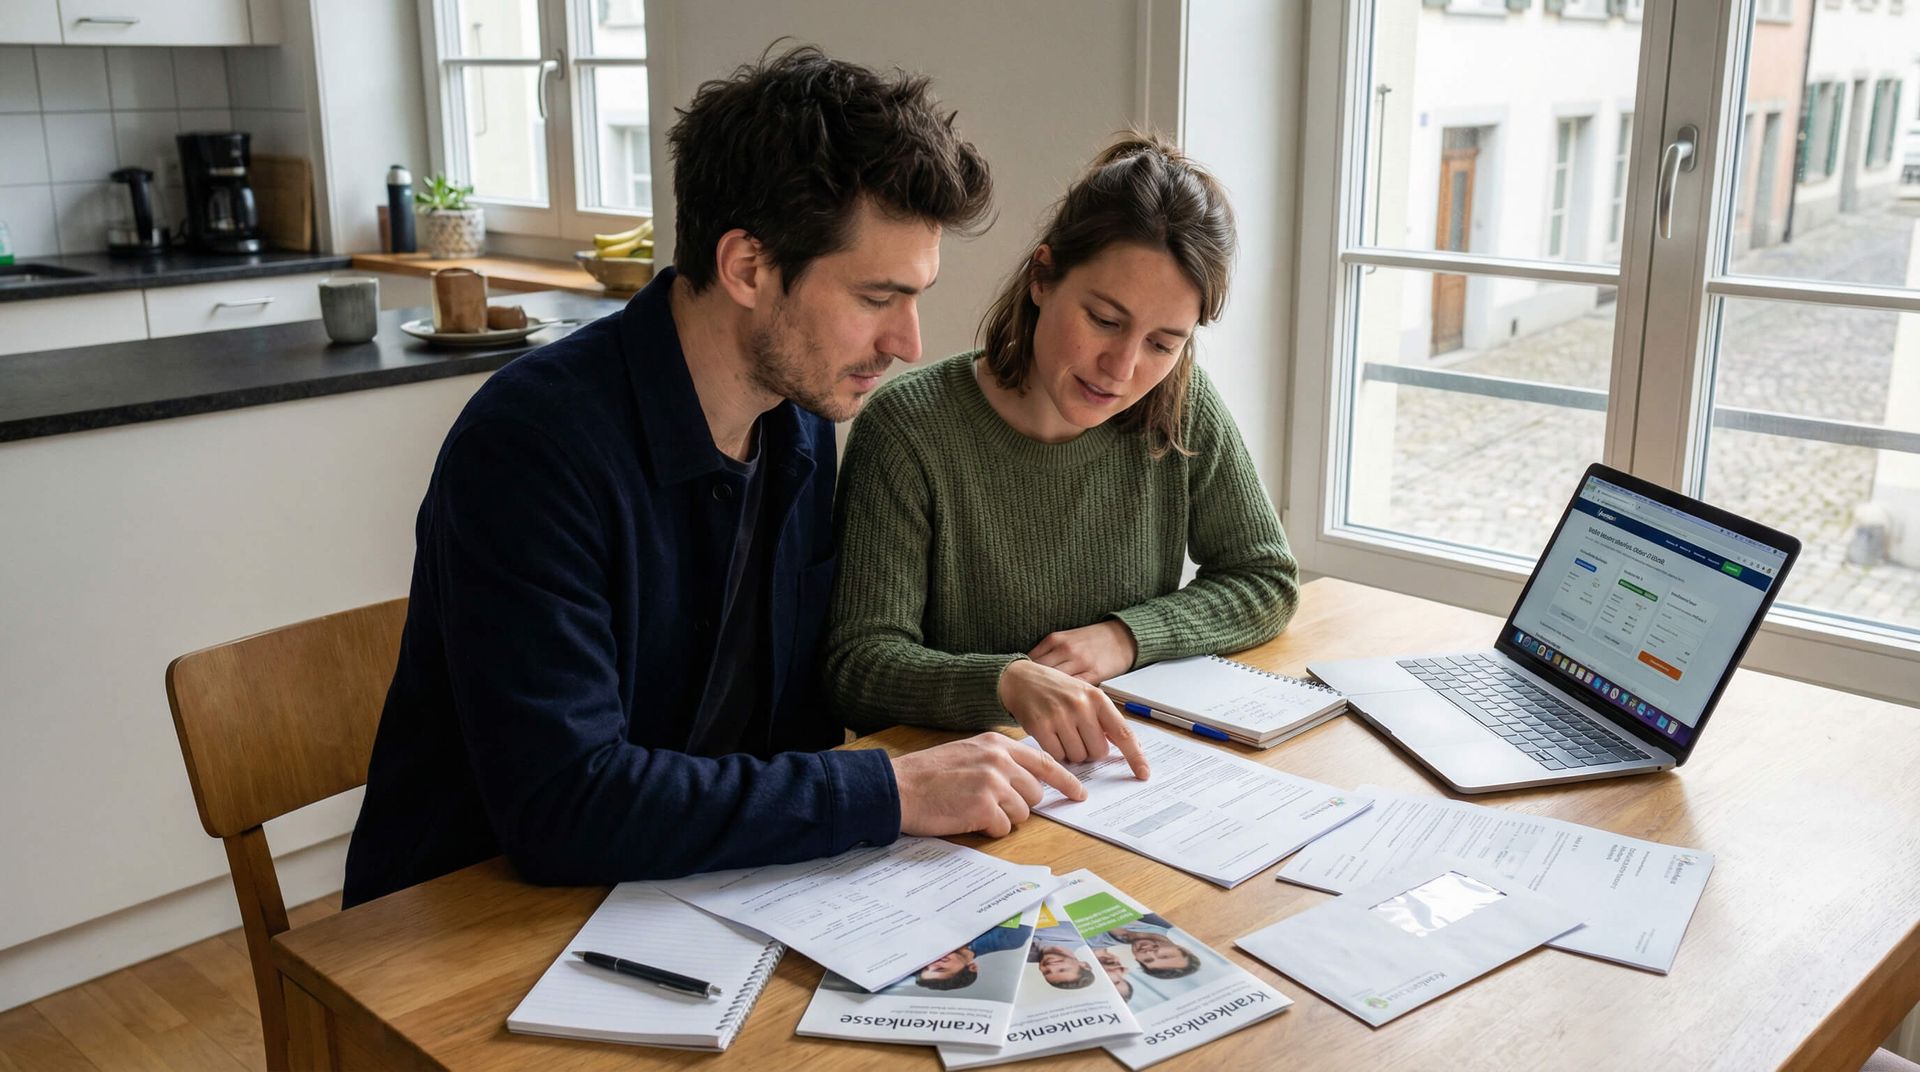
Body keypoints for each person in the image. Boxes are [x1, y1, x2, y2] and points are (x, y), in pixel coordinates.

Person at [341, 45, 1088, 909]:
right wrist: (887, 789)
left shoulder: (800, 418)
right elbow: (563, 805)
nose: (908, 343)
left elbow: (793, 724)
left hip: (698, 887)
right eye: (877, 298)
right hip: (474, 918)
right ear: (746, 268)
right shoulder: (527, 449)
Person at [823, 133, 1299, 770]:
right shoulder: (909, 428)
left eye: (1163, 344)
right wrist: (1006, 681)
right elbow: (858, 665)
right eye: (1104, 320)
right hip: (966, 784)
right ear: (1043, 277)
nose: (1122, 368)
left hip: (1118, 775)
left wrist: (1124, 638)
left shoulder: (1180, 405)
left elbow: (1265, 578)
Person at [915, 923, 1032, 991]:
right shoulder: (1010, 939)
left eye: (926, 968)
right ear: (972, 967)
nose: (932, 964)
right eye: (941, 969)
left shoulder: (931, 937)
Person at [1030, 944, 1096, 989]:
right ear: (1084, 965)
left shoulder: (1026, 952)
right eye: (1062, 969)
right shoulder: (1075, 935)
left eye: (1047, 972)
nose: (1050, 967)